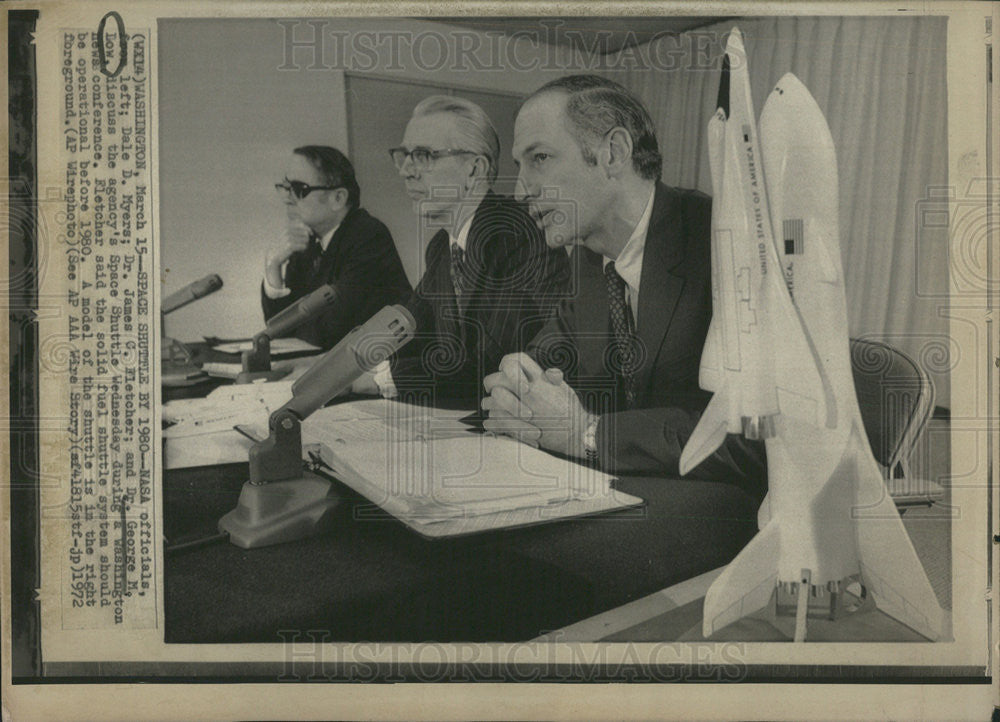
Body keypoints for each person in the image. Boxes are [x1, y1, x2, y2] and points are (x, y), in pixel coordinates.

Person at [481, 75, 765, 491]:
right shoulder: (589, 260)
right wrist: (517, 383)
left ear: (613, 153)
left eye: (539, 158)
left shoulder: (723, 242)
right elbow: (544, 358)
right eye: (519, 166)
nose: (521, 190)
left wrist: (588, 433)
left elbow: (756, 440)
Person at [352, 95, 570, 407]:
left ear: (474, 169)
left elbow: (492, 364)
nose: (406, 171)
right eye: (404, 155)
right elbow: (409, 330)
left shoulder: (519, 233)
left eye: (423, 155)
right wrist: (340, 366)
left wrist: (380, 379)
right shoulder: (442, 247)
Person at [262, 145, 411, 349]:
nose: (287, 198)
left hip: (379, 372)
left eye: (298, 189)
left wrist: (295, 329)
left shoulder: (368, 235)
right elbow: (278, 333)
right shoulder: (308, 242)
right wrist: (273, 266)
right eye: (286, 188)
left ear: (338, 198)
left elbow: (332, 332)